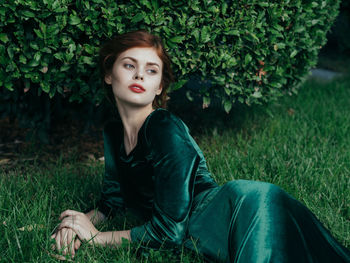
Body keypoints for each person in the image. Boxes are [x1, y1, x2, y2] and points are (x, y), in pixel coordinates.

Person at [51, 30, 350, 262]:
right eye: (129, 65)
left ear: (159, 88)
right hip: (213, 228)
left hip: (246, 210)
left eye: (151, 70)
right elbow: (112, 203)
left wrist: (96, 238)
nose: (140, 75)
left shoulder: (164, 127)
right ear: (108, 74)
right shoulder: (114, 131)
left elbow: (169, 232)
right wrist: (74, 224)